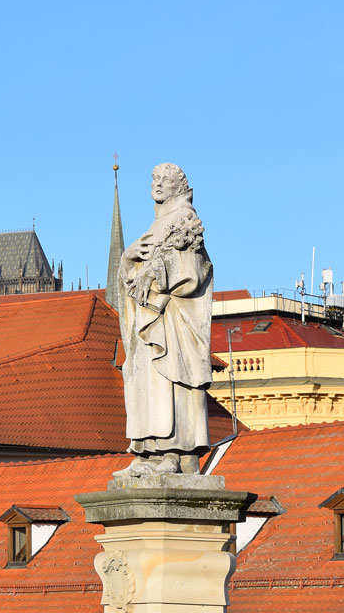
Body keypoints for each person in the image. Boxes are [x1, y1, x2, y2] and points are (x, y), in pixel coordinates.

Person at [117, 163, 214, 475]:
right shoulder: (155, 225)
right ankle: (148, 451)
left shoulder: (185, 219)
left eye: (166, 180)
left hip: (172, 319)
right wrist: (129, 257)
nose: (158, 184)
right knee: (146, 380)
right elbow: (133, 274)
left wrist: (158, 273)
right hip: (148, 318)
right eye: (155, 178)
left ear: (179, 186)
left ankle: (175, 451)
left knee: (171, 380)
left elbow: (194, 271)